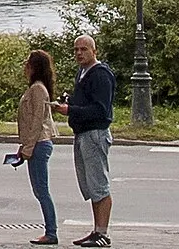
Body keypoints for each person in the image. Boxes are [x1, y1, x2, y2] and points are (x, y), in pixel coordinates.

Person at [56, 33, 115, 248]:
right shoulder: (83, 73)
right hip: (82, 133)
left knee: (99, 184)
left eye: (84, 49)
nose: (79, 53)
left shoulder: (100, 74)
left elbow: (100, 110)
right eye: (76, 50)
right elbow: (85, 102)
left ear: (94, 51)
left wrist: (71, 110)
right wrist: (70, 101)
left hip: (95, 133)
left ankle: (103, 233)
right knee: (90, 185)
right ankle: (96, 230)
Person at [16, 49, 60, 245]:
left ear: (34, 67)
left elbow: (36, 122)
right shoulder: (37, 88)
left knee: (42, 190)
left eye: (28, 62)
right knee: (39, 190)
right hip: (37, 143)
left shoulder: (37, 90)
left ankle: (51, 232)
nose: (25, 66)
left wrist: (28, 148)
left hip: (39, 143)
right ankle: (50, 230)